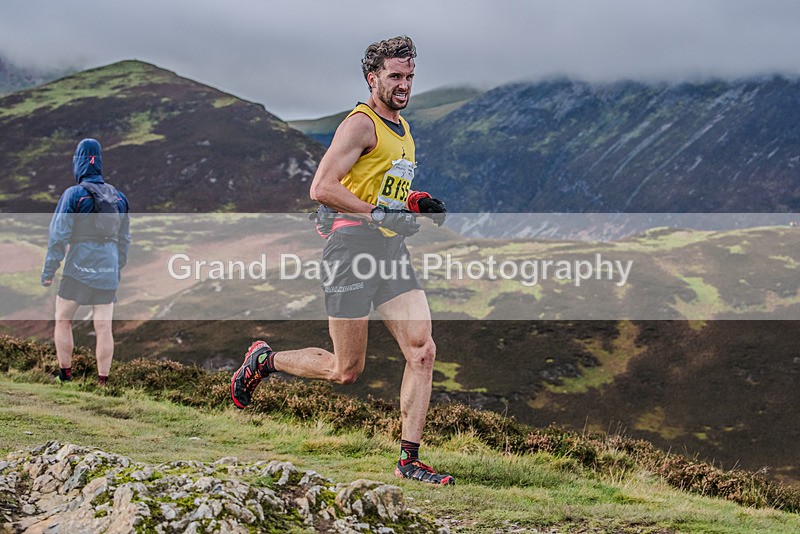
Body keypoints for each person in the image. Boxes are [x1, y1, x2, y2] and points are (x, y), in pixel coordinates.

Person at [231, 36, 453, 485]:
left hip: (389, 251)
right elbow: (322, 187)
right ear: (373, 78)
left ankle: (408, 460)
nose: (404, 85)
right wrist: (378, 214)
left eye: (409, 76)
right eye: (395, 76)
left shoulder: (401, 128)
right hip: (351, 251)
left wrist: (414, 202)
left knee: (422, 351)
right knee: (345, 370)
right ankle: (264, 361)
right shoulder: (360, 124)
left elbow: (376, 188)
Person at [41, 138, 131, 386]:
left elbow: (58, 236)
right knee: (104, 328)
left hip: (78, 270)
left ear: (78, 163)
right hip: (107, 272)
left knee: (63, 320)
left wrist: (49, 272)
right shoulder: (119, 198)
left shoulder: (74, 195)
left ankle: (65, 375)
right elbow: (124, 241)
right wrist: (116, 271)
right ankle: (103, 381)